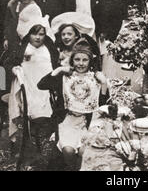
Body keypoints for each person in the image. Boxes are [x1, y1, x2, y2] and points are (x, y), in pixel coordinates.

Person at [38, 39, 108, 171]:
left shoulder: (95, 78)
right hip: (67, 120)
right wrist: (58, 70)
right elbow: (41, 85)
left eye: (84, 60)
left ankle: (80, 167)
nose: (81, 63)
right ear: (72, 61)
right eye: (77, 59)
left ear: (90, 61)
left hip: (88, 121)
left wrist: (104, 84)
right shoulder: (65, 77)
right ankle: (72, 167)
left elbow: (103, 105)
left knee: (84, 151)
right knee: (68, 151)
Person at [9, 16, 58, 159]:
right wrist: (14, 69)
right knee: (30, 108)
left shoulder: (49, 49)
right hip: (28, 86)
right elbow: (8, 62)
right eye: (34, 33)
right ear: (28, 34)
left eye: (41, 34)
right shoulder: (23, 49)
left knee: (46, 111)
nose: (37, 37)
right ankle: (29, 140)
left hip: (45, 88)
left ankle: (43, 141)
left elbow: (55, 66)